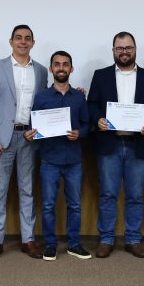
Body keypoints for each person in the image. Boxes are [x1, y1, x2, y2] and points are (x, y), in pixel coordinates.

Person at [87, 31, 144, 258]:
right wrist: (98, 119)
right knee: (108, 194)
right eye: (120, 48)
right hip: (109, 143)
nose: (124, 52)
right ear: (113, 51)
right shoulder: (100, 75)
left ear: (135, 50)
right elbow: (92, 105)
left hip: (139, 144)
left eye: (128, 48)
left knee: (135, 195)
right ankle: (106, 239)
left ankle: (133, 239)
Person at [0, 25, 48, 260]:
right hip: (1, 139)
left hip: (29, 138)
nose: (23, 42)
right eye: (18, 38)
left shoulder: (41, 71)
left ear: (33, 43)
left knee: (27, 190)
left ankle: (28, 239)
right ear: (11, 41)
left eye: (27, 38)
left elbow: (43, 105)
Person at [24, 51, 91, 261]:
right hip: (49, 159)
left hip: (73, 160)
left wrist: (80, 133)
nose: (61, 67)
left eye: (65, 64)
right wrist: (30, 134)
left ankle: (74, 244)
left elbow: (87, 125)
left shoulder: (79, 97)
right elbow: (33, 125)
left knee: (75, 205)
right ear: (51, 69)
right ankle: (50, 245)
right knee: (48, 205)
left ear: (71, 68)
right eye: (57, 64)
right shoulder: (41, 97)